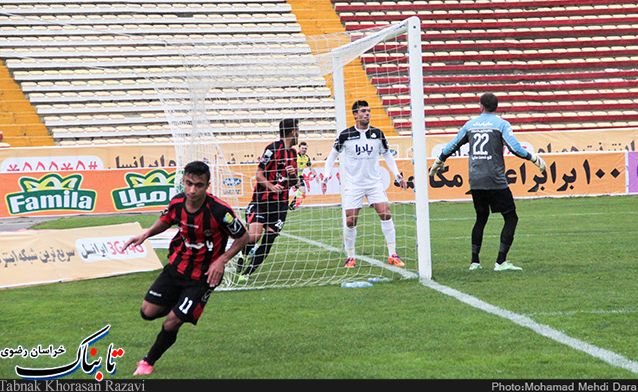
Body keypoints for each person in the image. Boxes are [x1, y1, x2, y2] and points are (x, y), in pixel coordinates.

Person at [124, 160, 249, 376]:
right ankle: (181, 304)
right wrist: (146, 233)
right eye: (189, 183)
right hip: (177, 266)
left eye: (198, 185)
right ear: (183, 181)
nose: (192, 190)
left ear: (207, 185)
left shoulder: (220, 211)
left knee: (172, 322)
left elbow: (243, 236)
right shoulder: (177, 202)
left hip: (204, 276)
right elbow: (166, 220)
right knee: (147, 312)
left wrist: (222, 260)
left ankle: (147, 362)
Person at [429, 92, 546, 272]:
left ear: (481, 106)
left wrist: (439, 161)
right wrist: (534, 158)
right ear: (496, 107)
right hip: (495, 179)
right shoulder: (501, 124)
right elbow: (515, 148)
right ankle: (501, 262)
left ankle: (474, 262)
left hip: (475, 179)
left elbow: (453, 145)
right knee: (511, 218)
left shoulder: (470, 125)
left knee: (481, 218)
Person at [321, 100, 408, 269]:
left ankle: (393, 254)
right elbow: (331, 157)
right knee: (351, 219)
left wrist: (397, 175)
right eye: (363, 111)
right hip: (353, 184)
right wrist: (326, 175)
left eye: (368, 111)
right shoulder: (345, 135)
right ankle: (350, 257)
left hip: (374, 183)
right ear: (355, 114)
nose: (367, 113)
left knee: (385, 213)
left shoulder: (378, 134)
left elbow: (388, 155)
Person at [236, 118, 299, 281]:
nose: (299, 133)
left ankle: (247, 274)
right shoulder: (272, 149)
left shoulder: (293, 153)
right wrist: (271, 187)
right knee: (255, 236)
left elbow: (293, 182)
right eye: (297, 129)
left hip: (280, 205)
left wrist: (293, 176)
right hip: (261, 202)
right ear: (292, 131)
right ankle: (242, 255)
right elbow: (259, 174)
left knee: (269, 239)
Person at [289, 141, 316, 210]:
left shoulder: (306, 157)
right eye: (302, 148)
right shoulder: (295, 156)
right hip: (290, 176)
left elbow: (310, 167)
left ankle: (292, 205)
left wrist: (314, 173)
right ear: (299, 148)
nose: (304, 150)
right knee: (284, 192)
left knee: (303, 191)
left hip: (299, 176)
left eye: (305, 148)